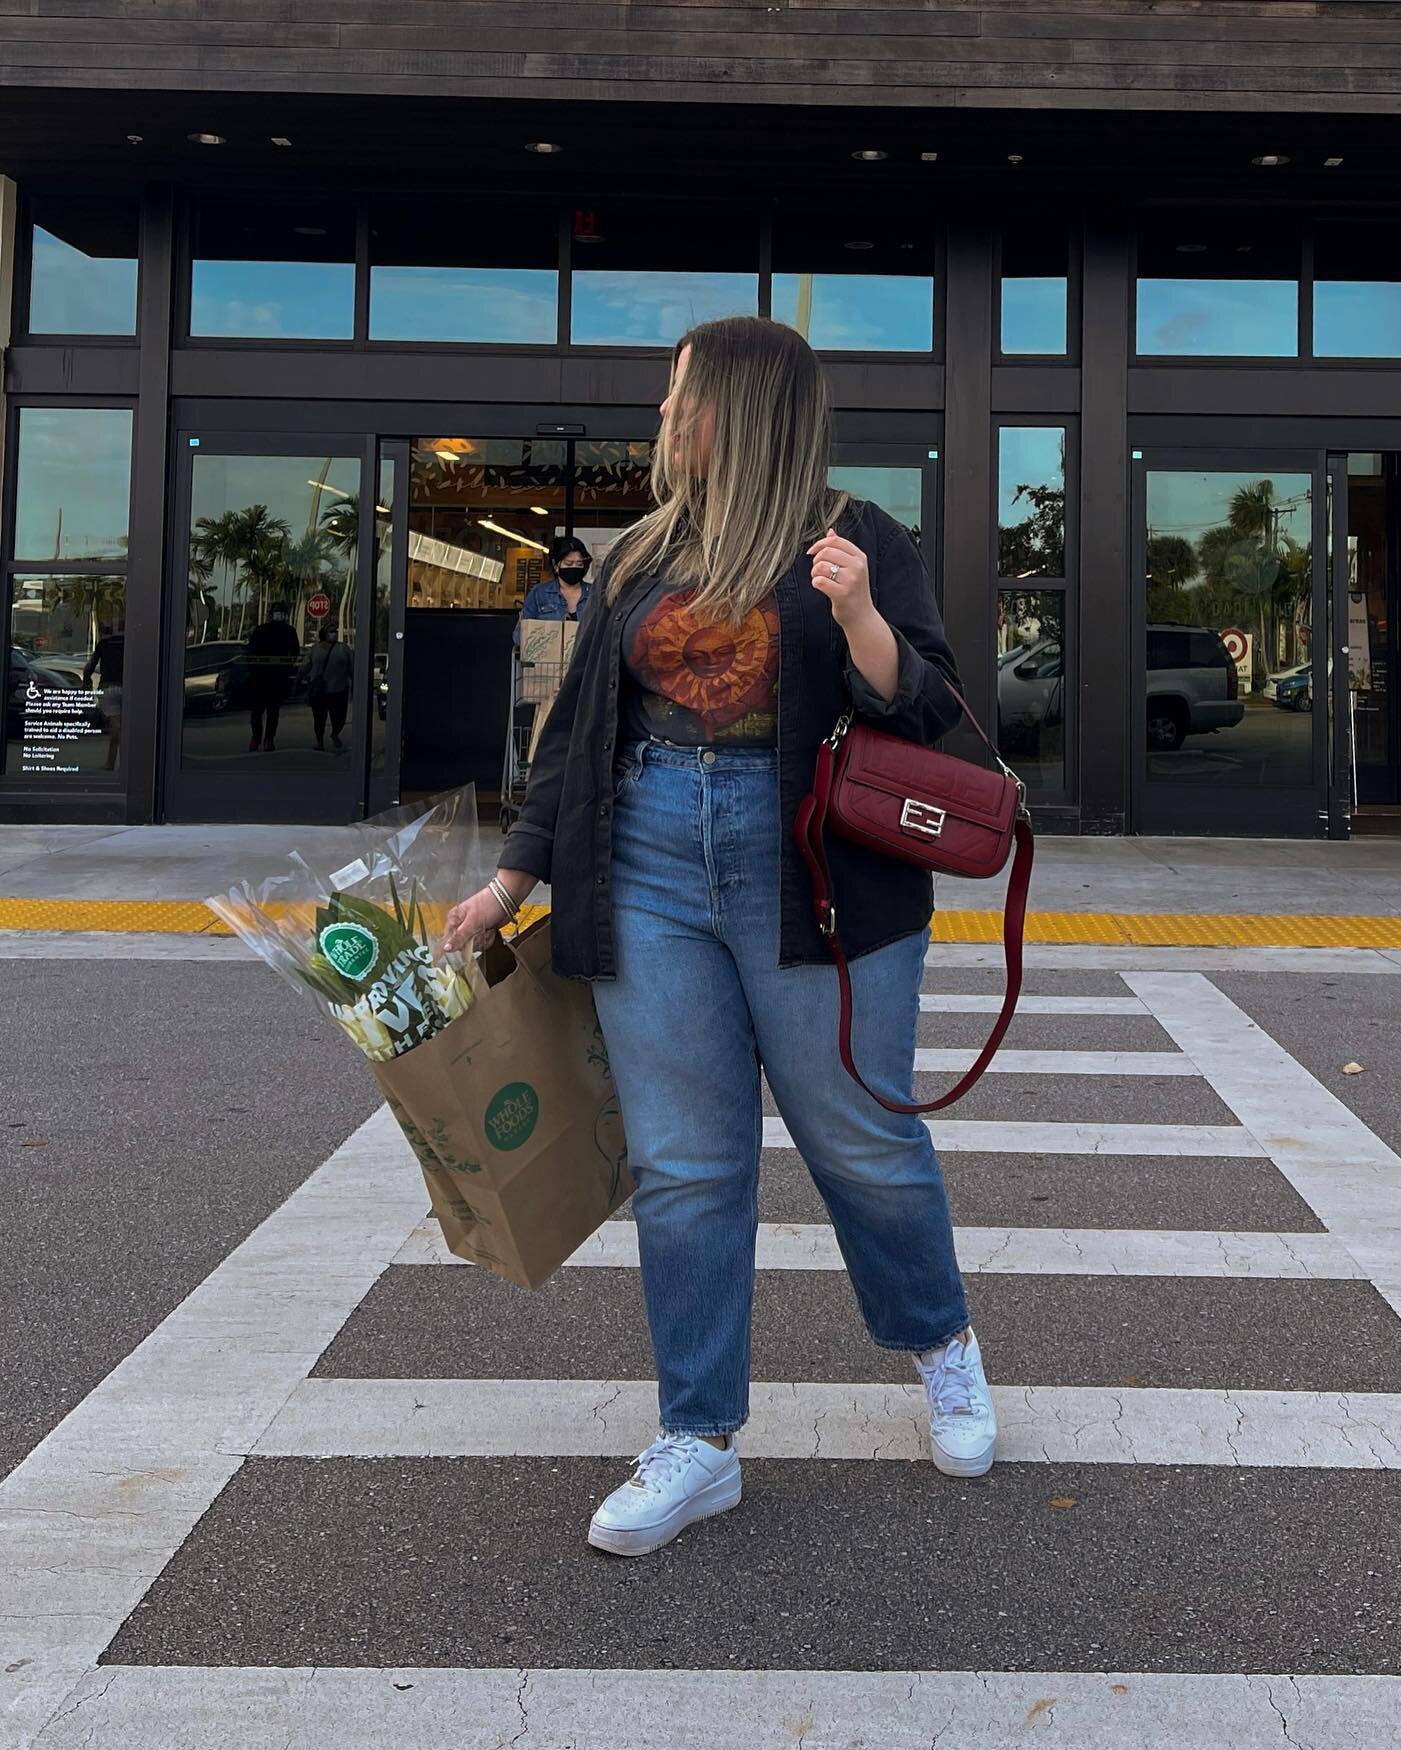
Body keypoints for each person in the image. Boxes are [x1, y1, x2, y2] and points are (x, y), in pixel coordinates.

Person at [444, 316, 992, 1559]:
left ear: (735, 408)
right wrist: (511, 880)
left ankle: (941, 1341)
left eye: (678, 390)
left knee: (862, 1139)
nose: (659, 407)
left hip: (815, 865)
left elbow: (931, 699)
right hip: (644, 850)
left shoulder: (859, 535)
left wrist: (856, 613)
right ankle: (698, 1436)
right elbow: (579, 732)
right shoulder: (641, 550)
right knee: (688, 1165)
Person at [513, 537, 592, 648]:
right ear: (556, 566)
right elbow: (519, 636)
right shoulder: (539, 594)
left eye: (579, 564)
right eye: (569, 564)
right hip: (548, 663)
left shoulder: (595, 595)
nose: (574, 568)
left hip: (586, 662)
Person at [244, 608, 300, 752]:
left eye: (281, 612)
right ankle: (256, 738)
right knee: (257, 711)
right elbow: (251, 651)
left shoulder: (289, 631)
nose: (279, 615)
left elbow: (295, 652)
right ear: (271, 615)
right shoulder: (261, 630)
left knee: (272, 711)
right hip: (259, 677)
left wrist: (287, 667)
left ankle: (269, 739)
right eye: (276, 612)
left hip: (278, 677)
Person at [82, 621, 125, 772]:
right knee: (126, 726)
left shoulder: (103, 644)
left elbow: (89, 668)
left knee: (115, 726)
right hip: (128, 687)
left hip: (108, 687)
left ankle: (110, 763)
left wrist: (86, 684)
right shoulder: (128, 642)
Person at [305, 623, 353, 753]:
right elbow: (306, 666)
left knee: (340, 718)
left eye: (335, 631)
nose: (334, 634)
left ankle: (335, 733)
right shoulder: (315, 649)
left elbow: (352, 667)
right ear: (324, 634)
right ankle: (319, 742)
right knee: (319, 719)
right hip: (320, 691)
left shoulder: (343, 648)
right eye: (331, 631)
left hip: (339, 689)